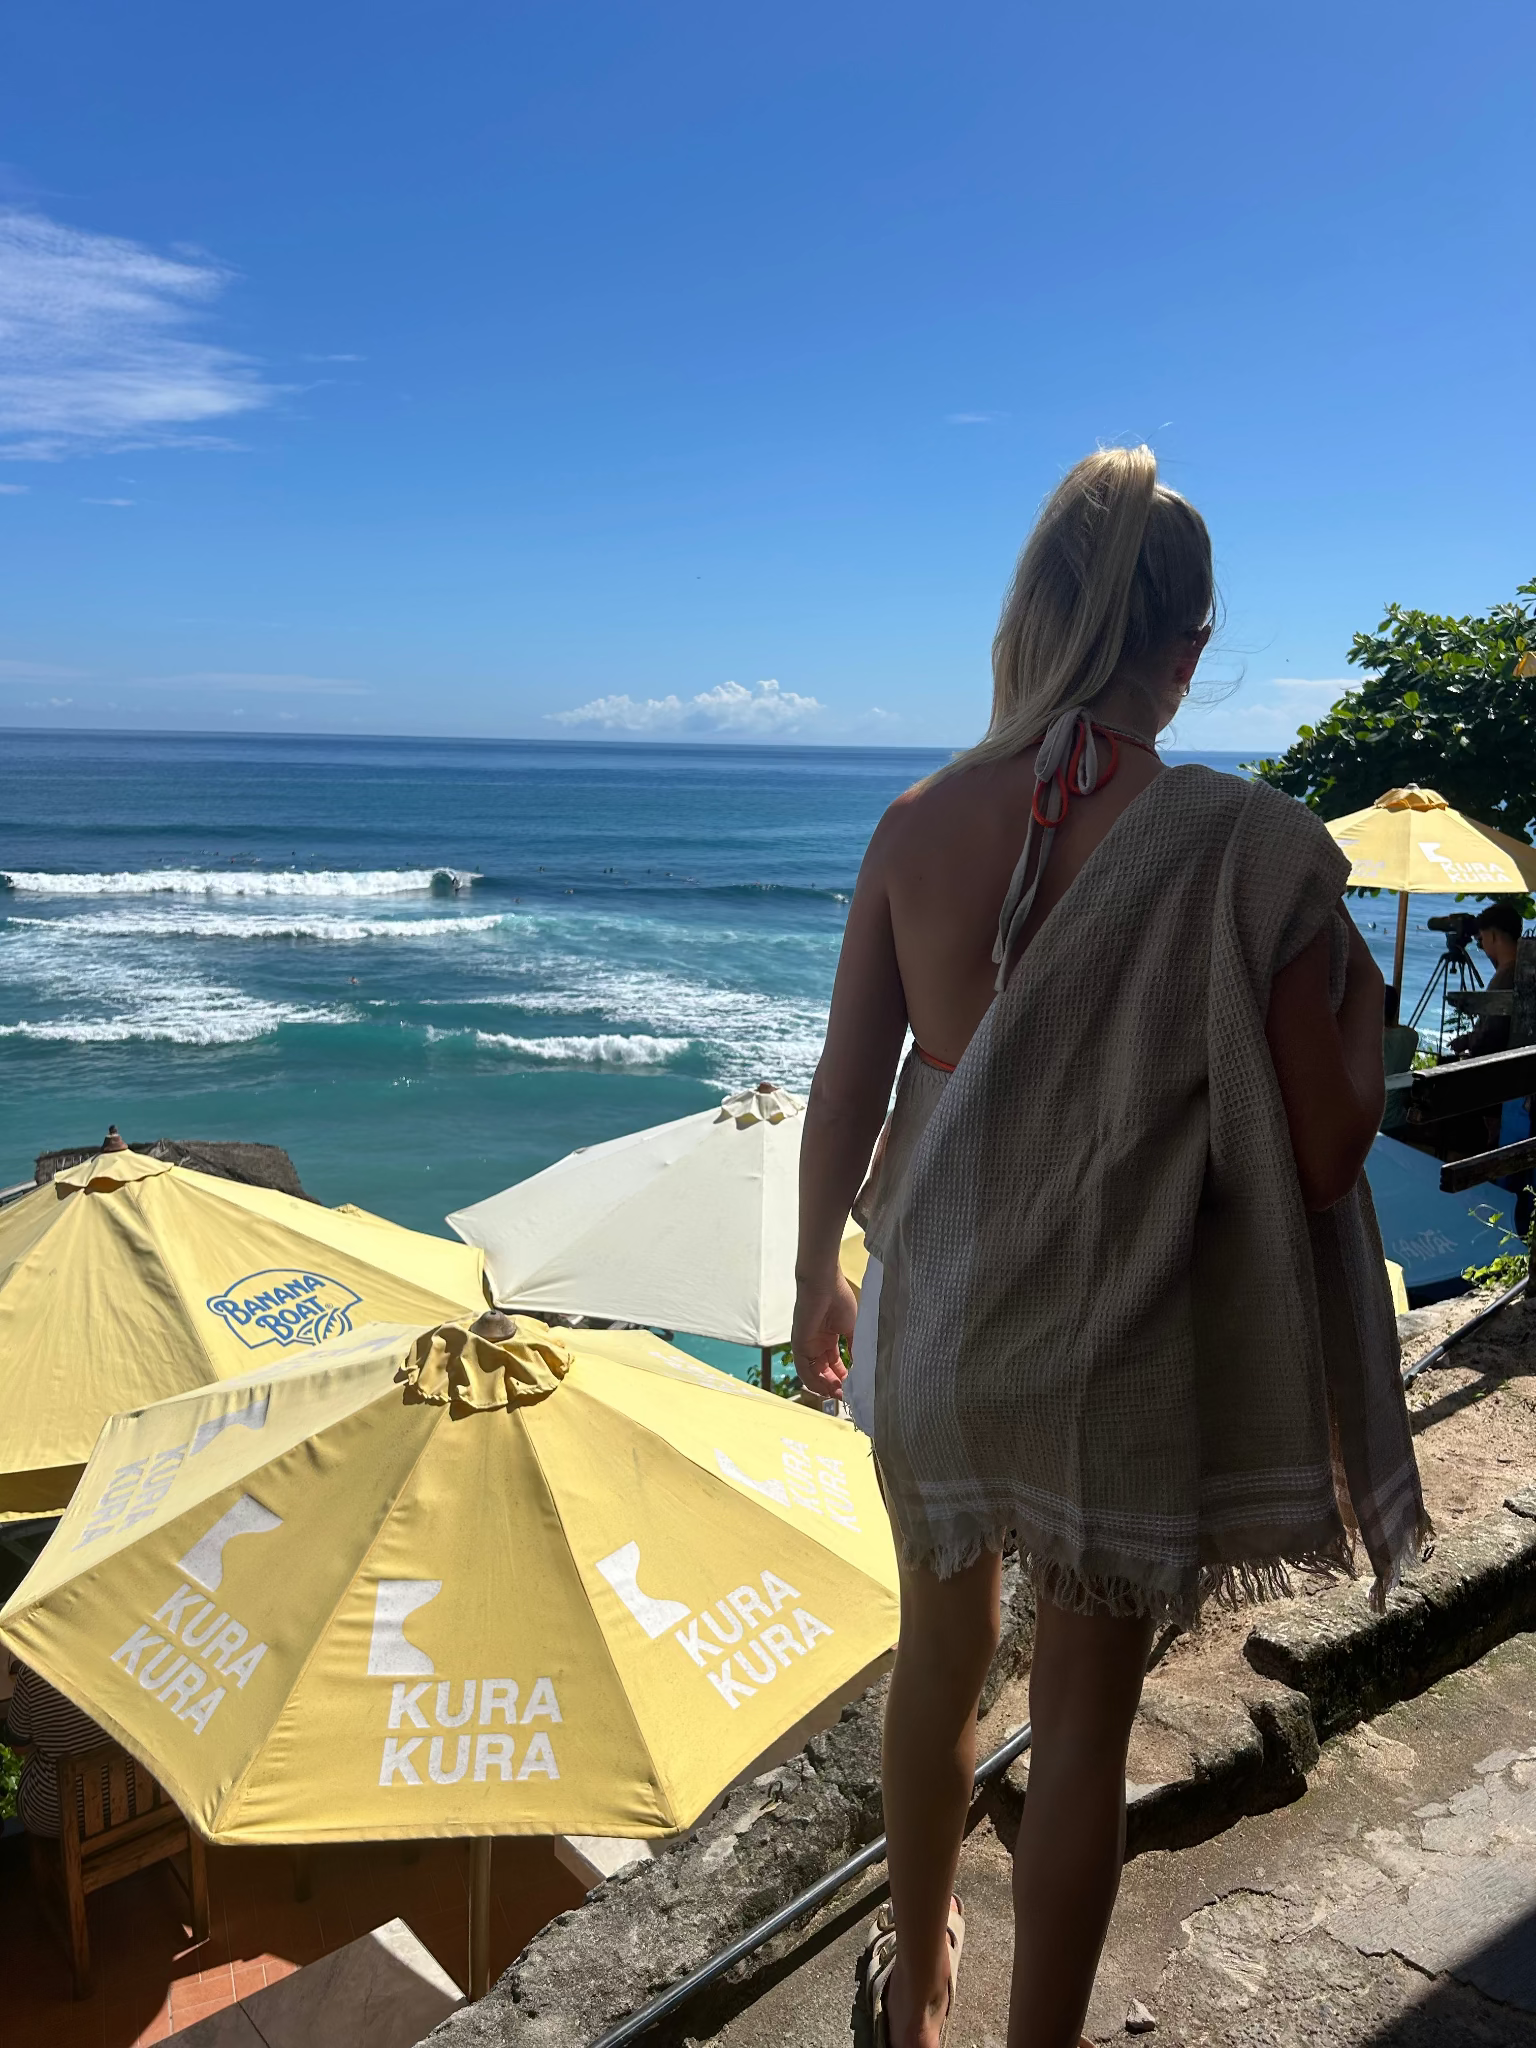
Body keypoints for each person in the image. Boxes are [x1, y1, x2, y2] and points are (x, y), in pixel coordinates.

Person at [792, 447, 1428, 2048]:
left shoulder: (916, 823)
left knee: (934, 1661)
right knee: (1080, 1731)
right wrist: (1368, 1011)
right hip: (1116, 1353)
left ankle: (917, 1973)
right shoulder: (1247, 847)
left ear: (1031, 616)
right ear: (1191, 646)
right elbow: (1323, 1140)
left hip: (934, 1331)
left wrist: (817, 1273)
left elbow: (844, 1091)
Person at [1450, 900, 1523, 1060]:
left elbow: (1492, 1034)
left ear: (1493, 935)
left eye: (1482, 939)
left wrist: (1468, 1041)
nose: (1482, 945)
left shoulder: (1506, 977)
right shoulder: (1523, 969)